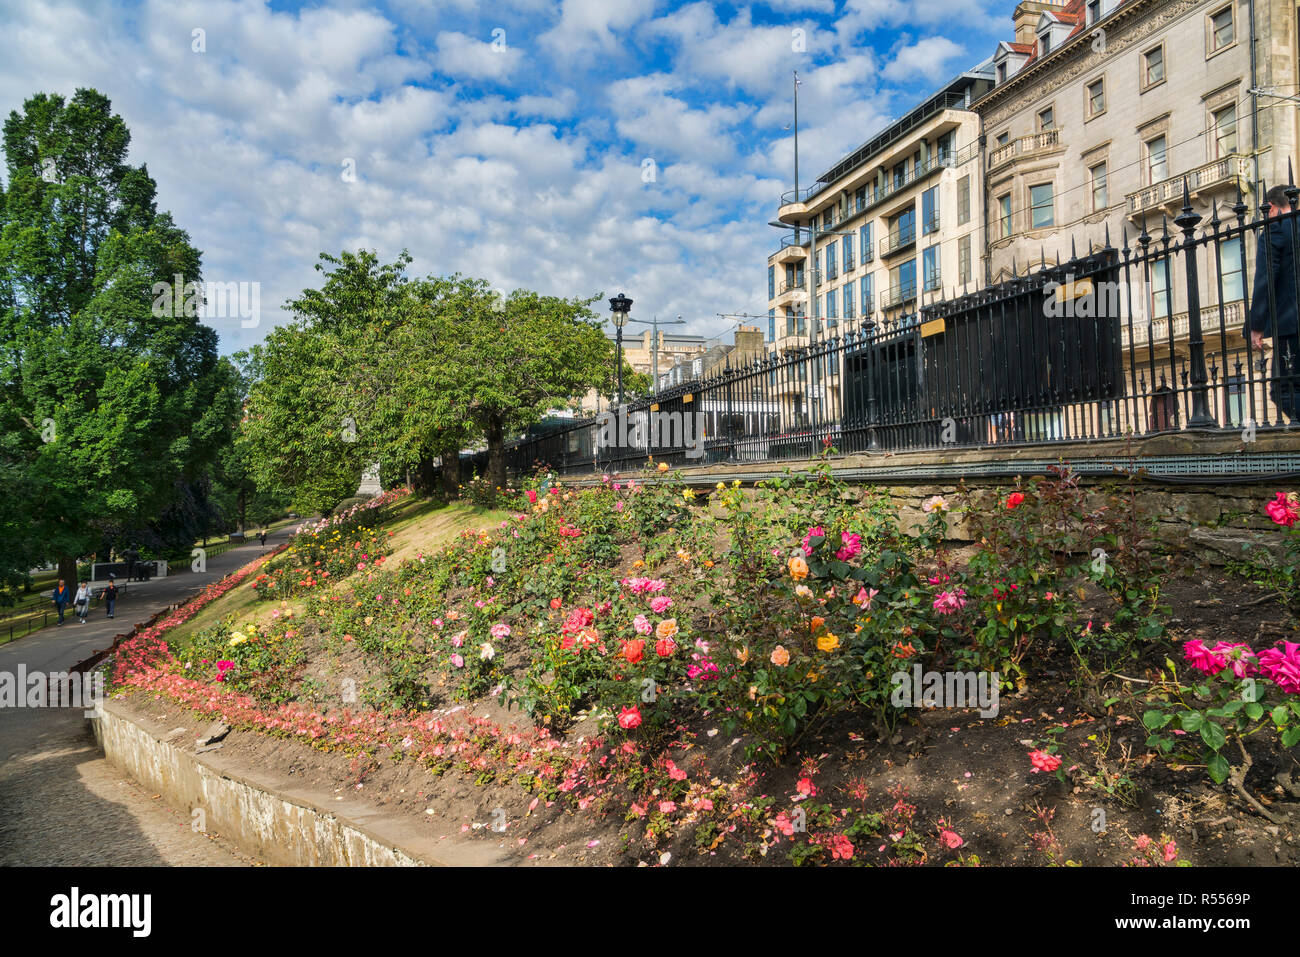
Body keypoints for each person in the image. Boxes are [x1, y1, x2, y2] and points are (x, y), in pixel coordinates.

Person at [1248, 184, 1299, 423]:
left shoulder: (1275, 229)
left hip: (1290, 326)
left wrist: (1256, 324)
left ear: (1269, 207)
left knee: (1284, 391)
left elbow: (1265, 277)